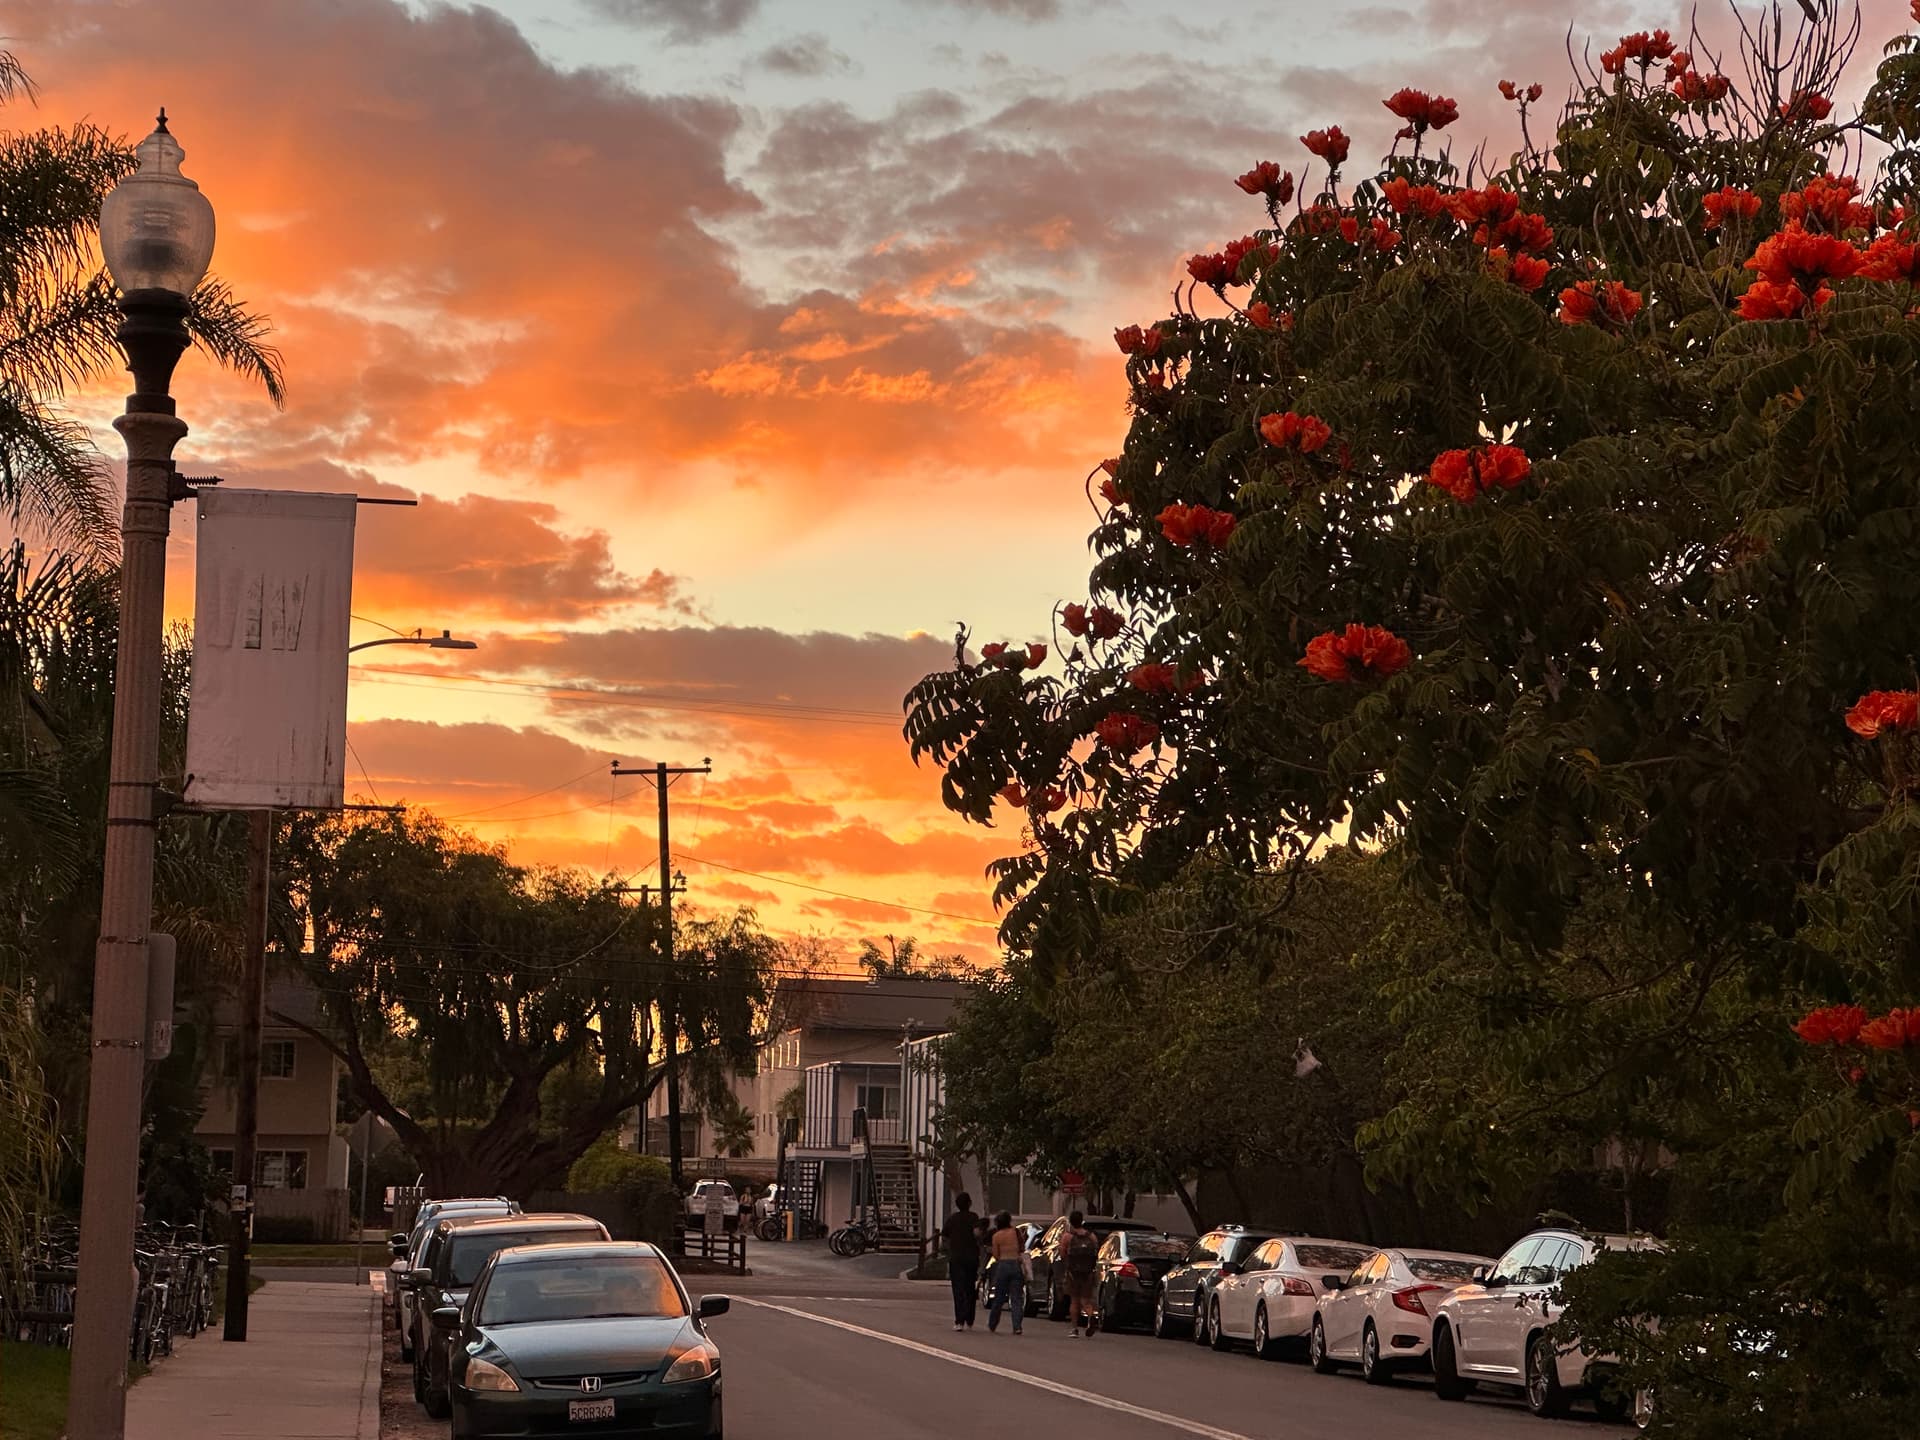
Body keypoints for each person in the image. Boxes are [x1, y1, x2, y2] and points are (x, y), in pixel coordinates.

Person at [941, 1192, 981, 1331]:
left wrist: (949, 1248)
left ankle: (959, 1321)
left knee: (958, 1290)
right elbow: (977, 1234)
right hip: (971, 1258)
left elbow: (944, 1235)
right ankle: (970, 1318)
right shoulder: (974, 1217)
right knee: (970, 1288)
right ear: (969, 1203)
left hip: (956, 1258)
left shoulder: (952, 1219)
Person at [984, 1211, 1025, 1335]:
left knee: (999, 1297)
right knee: (1016, 1298)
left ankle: (993, 1324)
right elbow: (1022, 1247)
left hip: (1003, 1265)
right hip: (1015, 1264)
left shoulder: (996, 1236)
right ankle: (1017, 1326)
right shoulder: (1016, 1232)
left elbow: (996, 1255)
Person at [1062, 1210, 1101, 1337]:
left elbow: (1063, 1254)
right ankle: (1090, 1316)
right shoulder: (1092, 1237)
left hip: (1073, 1273)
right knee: (1086, 1300)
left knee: (1074, 1300)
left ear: (1071, 1222)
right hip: (1088, 1272)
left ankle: (1074, 1328)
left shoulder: (1068, 1236)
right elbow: (1096, 1253)